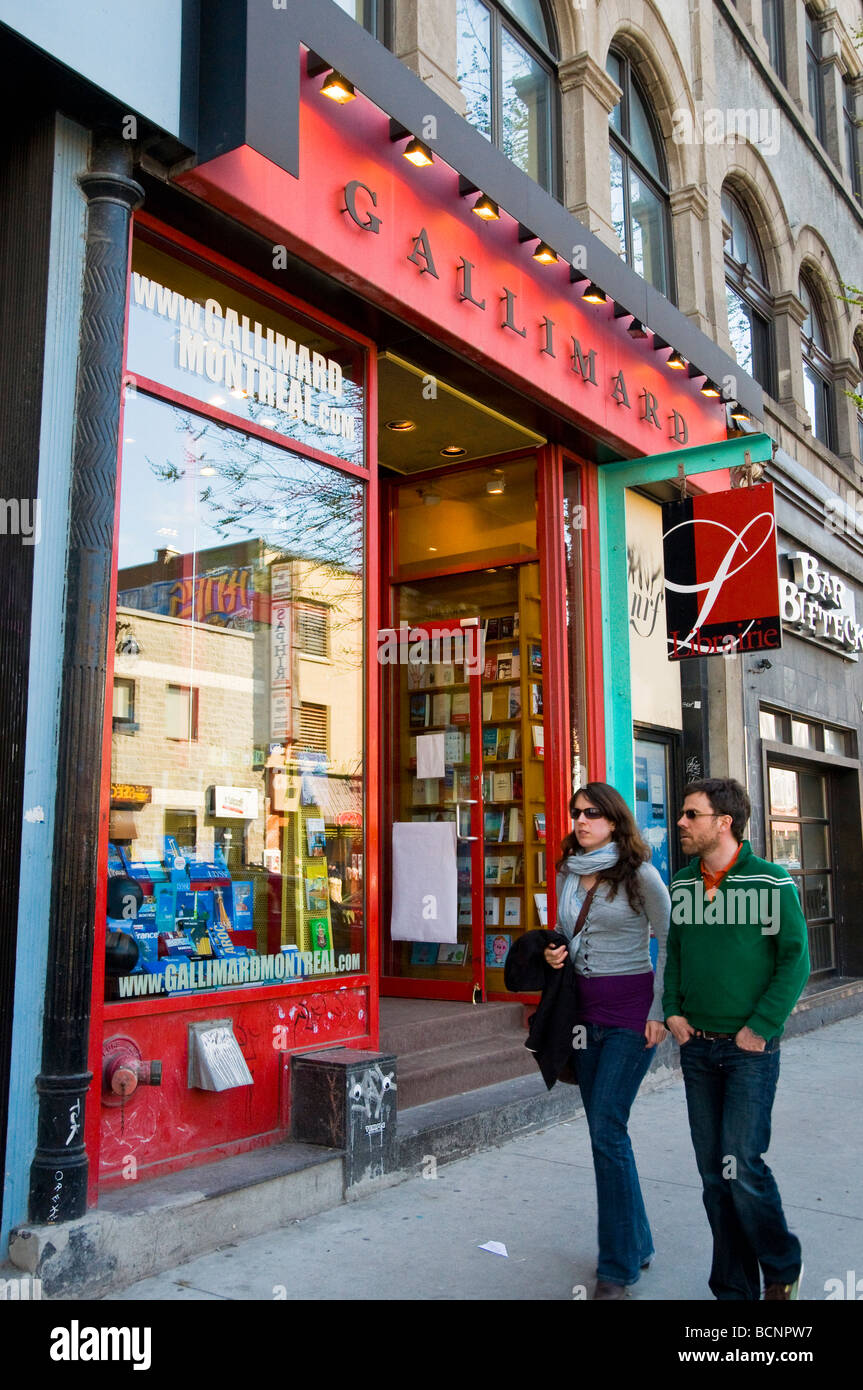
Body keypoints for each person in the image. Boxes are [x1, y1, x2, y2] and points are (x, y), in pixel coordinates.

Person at [663, 778, 810, 1302]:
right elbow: (676, 951)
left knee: (742, 1166)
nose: (680, 822)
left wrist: (760, 1028)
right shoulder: (682, 884)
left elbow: (796, 959)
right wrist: (673, 1010)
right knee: (712, 1175)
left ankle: (781, 1264)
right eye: (681, 813)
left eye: (691, 814)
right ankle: (733, 1290)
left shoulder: (772, 882)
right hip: (697, 1048)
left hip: (749, 1051)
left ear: (723, 822)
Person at [545, 782, 670, 1300]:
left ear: (615, 821)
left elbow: (671, 940)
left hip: (630, 1016)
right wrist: (555, 952)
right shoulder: (566, 873)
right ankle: (636, 1240)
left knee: (607, 1131)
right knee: (606, 1131)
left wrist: (661, 1011)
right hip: (582, 1015)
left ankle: (616, 1269)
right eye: (576, 813)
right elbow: (562, 931)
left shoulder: (641, 875)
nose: (581, 821)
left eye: (592, 814)